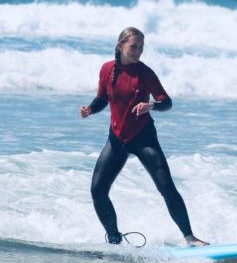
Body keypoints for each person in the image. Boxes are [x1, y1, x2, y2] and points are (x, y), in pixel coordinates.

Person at [79, 27, 209, 247]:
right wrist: (90, 109)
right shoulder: (107, 70)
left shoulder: (146, 73)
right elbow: (102, 99)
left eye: (141, 47)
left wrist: (152, 106)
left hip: (144, 139)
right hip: (117, 140)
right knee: (98, 191)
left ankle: (190, 238)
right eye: (133, 46)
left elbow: (166, 102)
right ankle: (114, 239)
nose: (138, 51)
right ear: (120, 46)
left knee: (166, 187)